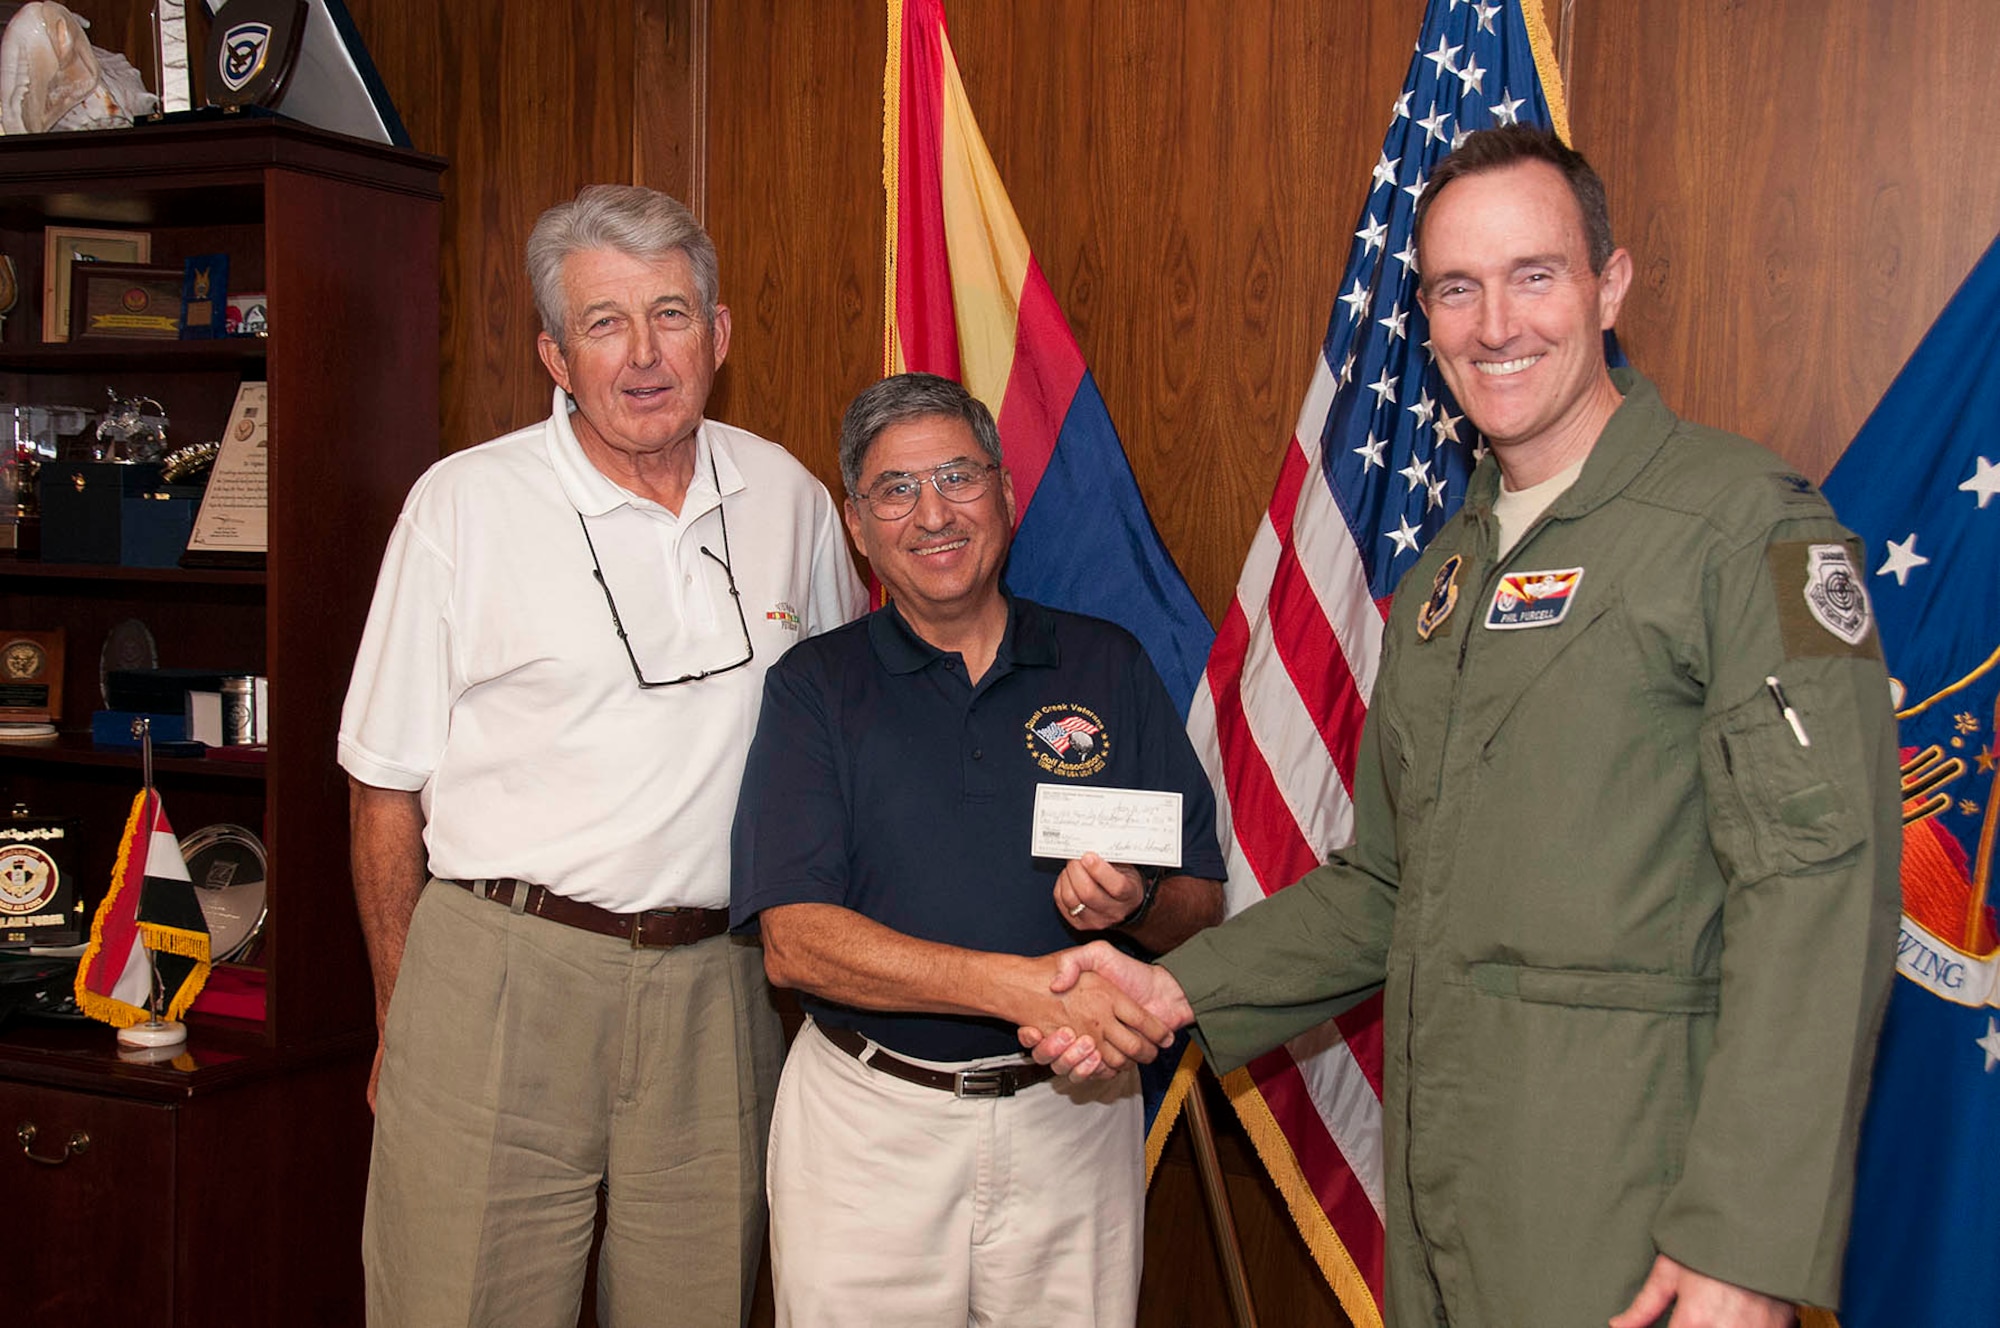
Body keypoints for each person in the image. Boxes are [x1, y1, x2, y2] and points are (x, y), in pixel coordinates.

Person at [1028, 126, 1901, 1328]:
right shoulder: (1446, 577)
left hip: (1639, 1212)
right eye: (1455, 287)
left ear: (1609, 285)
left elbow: (1819, 891)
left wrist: (1743, 1242)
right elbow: (1390, 882)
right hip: (1444, 1194)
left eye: (1533, 274)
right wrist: (1169, 990)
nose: (1496, 323)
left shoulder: (1740, 528)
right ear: (1425, 319)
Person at [338, 184, 866, 1327]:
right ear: (554, 354)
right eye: (602, 322)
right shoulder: (461, 507)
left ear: (718, 334)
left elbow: (846, 739)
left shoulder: (789, 498)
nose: (641, 354)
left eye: (670, 314)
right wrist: (400, 1014)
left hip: (719, 991)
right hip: (498, 978)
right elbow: (382, 788)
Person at [729, 371, 1225, 1326]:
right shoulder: (814, 688)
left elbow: (1199, 898)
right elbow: (795, 944)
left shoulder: (1106, 662)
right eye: (897, 490)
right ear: (859, 523)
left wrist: (1136, 904)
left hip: (1073, 1124)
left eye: (957, 475)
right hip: (869, 1134)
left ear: (1003, 490)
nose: (934, 513)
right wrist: (1020, 986)